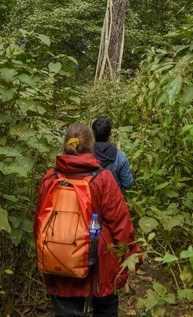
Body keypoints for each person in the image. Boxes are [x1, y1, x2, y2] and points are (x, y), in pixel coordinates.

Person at [34, 123, 141, 317]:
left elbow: (39, 223)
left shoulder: (50, 177)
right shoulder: (103, 179)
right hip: (99, 266)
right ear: (91, 147)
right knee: (106, 308)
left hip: (60, 259)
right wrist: (132, 256)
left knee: (67, 309)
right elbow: (121, 224)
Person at [92, 116, 134, 189]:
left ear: (93, 133)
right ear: (110, 132)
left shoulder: (86, 155)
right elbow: (128, 184)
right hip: (113, 197)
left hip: (90, 198)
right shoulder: (120, 156)